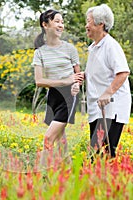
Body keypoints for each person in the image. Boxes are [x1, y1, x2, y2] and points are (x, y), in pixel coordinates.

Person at [72, 4, 131, 158]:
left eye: (89, 22)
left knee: (103, 154)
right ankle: (100, 180)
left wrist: (107, 93)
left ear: (100, 24)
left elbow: (123, 72)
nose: (86, 26)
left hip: (112, 108)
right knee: (96, 154)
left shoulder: (111, 46)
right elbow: (101, 72)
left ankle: (109, 180)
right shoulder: (94, 47)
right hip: (97, 109)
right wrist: (85, 75)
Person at [32, 9, 84, 171]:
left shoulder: (70, 49)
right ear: (45, 25)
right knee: (61, 140)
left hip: (69, 96)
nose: (61, 25)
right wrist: (64, 80)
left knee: (48, 138)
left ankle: (39, 176)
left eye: (62, 22)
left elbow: (78, 75)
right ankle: (72, 172)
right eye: (57, 21)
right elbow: (39, 81)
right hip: (52, 96)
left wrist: (75, 84)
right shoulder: (39, 52)